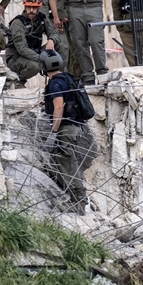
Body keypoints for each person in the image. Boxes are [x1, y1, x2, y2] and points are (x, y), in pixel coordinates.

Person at [41, 49, 98, 214]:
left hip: (66, 129)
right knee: (56, 162)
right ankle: (69, 196)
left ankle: (78, 203)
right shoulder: (68, 78)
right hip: (76, 127)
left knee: (69, 165)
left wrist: (53, 132)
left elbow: (59, 107)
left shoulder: (54, 83)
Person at [6, 0, 63, 81]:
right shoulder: (18, 23)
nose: (31, 10)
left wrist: (51, 40)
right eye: (29, 7)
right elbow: (22, 49)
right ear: (25, 7)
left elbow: (55, 33)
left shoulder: (42, 18)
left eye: (34, 8)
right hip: (16, 57)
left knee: (59, 46)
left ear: (38, 8)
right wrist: (42, 59)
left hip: (35, 52)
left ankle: (57, 77)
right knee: (35, 66)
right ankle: (18, 81)